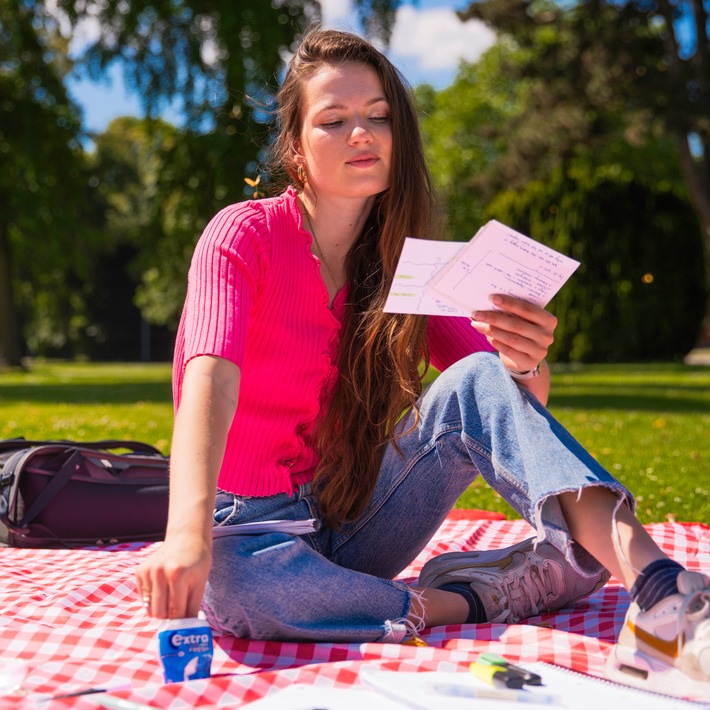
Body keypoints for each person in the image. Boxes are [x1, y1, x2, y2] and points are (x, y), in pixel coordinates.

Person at [135, 28, 710, 697]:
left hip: (350, 519)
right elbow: (210, 373)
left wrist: (523, 362)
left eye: (378, 117)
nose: (362, 135)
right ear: (295, 147)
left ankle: (666, 592)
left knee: (481, 375)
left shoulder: (407, 265)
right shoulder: (243, 236)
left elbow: (502, 402)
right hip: (244, 534)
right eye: (335, 120)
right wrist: (186, 535)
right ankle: (472, 598)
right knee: (238, 594)